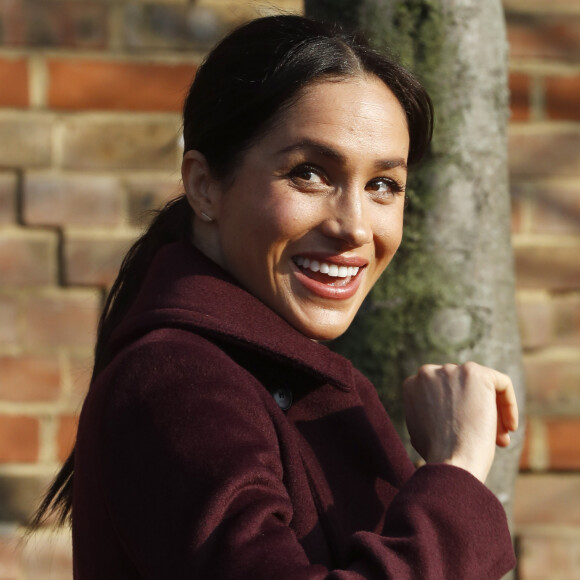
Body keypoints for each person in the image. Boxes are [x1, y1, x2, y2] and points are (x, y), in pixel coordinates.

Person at [33, 14, 518, 579]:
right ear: (204, 185)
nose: (355, 227)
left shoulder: (291, 379)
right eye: (309, 173)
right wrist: (456, 473)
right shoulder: (177, 382)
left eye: (382, 184)